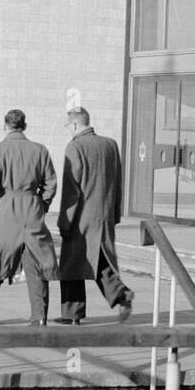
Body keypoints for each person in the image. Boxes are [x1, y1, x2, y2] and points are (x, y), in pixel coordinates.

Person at [0, 109, 59, 325]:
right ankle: (40, 316)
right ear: (24, 126)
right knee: (35, 261)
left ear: (5, 126)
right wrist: (42, 203)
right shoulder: (40, 150)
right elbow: (51, 183)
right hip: (32, 206)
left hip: (6, 208)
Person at [57, 107, 134, 325]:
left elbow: (71, 190)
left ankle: (72, 313)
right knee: (100, 259)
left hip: (81, 217)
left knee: (71, 264)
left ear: (74, 125)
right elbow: (118, 182)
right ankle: (121, 294)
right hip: (105, 214)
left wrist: (64, 220)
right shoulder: (110, 145)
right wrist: (115, 214)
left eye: (68, 127)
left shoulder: (75, 147)